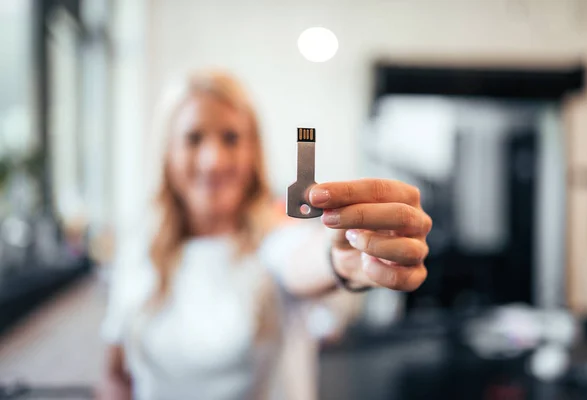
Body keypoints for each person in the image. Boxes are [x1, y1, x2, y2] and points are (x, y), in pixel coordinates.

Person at [98, 70, 432, 400]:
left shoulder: (272, 241)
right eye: (194, 138)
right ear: (167, 152)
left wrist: (345, 259)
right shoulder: (140, 246)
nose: (213, 160)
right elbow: (116, 374)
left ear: (253, 152)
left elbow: (303, 258)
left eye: (230, 138)